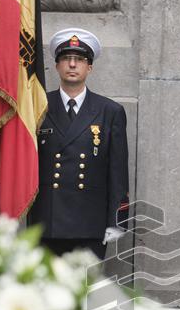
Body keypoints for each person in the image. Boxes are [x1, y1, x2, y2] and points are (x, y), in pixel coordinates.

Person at [28, 28, 128, 258]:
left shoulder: (109, 111)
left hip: (89, 225)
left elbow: (117, 172)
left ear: (89, 67)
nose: (72, 65)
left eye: (79, 59)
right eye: (66, 59)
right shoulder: (38, 106)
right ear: (57, 66)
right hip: (46, 223)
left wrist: (117, 221)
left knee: (83, 292)